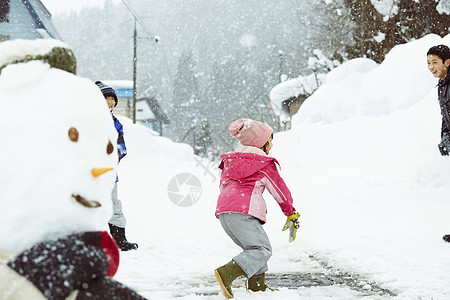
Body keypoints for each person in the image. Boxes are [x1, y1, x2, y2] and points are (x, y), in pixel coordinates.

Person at [213, 118, 299, 298]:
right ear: (262, 143)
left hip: (224, 212)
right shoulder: (264, 163)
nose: (272, 145)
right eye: (270, 140)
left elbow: (223, 186)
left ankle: (257, 286)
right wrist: (290, 212)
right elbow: (280, 191)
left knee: (254, 249)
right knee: (262, 250)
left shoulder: (230, 161)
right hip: (243, 211)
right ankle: (226, 273)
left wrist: (232, 205)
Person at [95, 81, 138, 251]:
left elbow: (121, 146)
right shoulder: (88, 121)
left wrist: (114, 154)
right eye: (106, 98)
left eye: (112, 99)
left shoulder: (115, 123)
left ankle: (120, 239)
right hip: (88, 174)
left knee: (113, 204)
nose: (110, 102)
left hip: (109, 173)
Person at [427, 45, 450, 242]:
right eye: (428, 63)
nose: (431, 66)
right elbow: (446, 116)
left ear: (447, 62)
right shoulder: (442, 84)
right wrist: (445, 136)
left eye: (435, 62)